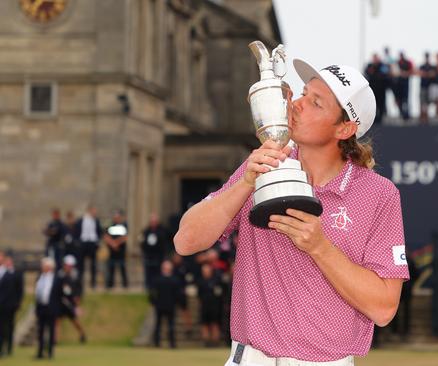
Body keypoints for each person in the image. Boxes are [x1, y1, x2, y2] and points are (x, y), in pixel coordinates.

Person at [174, 58, 409, 365]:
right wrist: (245, 183)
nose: (296, 104)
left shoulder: (379, 194)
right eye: (302, 93)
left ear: (344, 128)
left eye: (316, 103)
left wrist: (320, 247)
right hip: (250, 358)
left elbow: (383, 309)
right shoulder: (263, 165)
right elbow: (185, 241)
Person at [149, 260, 182, 348]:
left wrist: (177, 302)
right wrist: (153, 302)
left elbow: (178, 294)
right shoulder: (158, 280)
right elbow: (152, 293)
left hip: (170, 305)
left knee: (170, 325)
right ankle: (157, 343)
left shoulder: (174, 280)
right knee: (158, 325)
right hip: (160, 306)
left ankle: (171, 343)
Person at [34, 257, 63, 359]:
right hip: (41, 308)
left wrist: (57, 309)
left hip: (51, 309)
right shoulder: (39, 278)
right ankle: (40, 352)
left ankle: (50, 353)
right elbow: (37, 294)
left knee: (51, 331)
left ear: (49, 267)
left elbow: (60, 296)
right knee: (40, 331)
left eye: (44, 266)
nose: (42, 267)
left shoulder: (57, 279)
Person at [57, 255, 86, 343]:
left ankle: (82, 335)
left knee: (74, 320)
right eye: (67, 265)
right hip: (61, 301)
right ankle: (55, 339)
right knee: (57, 320)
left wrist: (77, 298)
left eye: (70, 265)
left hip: (71, 302)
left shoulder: (75, 275)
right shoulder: (60, 274)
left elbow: (79, 288)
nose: (68, 267)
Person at [197, 263, 226, 347]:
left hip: (214, 306)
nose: (205, 272)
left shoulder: (216, 281)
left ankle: (215, 342)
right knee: (204, 324)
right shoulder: (200, 281)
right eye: (204, 271)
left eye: (207, 270)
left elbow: (220, 293)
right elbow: (199, 294)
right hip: (204, 305)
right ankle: (206, 342)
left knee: (215, 323)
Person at [0, 254, 23, 357]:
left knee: (8, 327)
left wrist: (17, 303)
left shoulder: (14, 273)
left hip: (8, 306)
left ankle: (8, 348)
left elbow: (19, 290)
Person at [75, 205, 103, 291]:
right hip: (83, 243)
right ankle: (79, 282)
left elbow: (100, 231)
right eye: (94, 211)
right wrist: (78, 242)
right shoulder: (81, 220)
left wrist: (97, 241)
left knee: (93, 264)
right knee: (81, 265)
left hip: (92, 243)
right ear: (89, 211)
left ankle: (93, 283)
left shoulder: (96, 221)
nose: (95, 213)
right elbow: (76, 231)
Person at [140, 213, 168, 290]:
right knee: (148, 273)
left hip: (158, 256)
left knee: (158, 273)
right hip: (148, 256)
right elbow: (142, 242)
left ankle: (157, 287)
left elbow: (164, 243)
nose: (153, 223)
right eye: (152, 222)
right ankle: (148, 287)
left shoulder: (162, 230)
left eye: (155, 222)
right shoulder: (146, 231)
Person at [104, 210, 128, 289]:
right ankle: (110, 285)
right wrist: (113, 244)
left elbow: (125, 237)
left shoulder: (123, 226)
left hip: (121, 252)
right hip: (112, 252)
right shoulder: (111, 227)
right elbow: (106, 237)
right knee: (111, 269)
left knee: (122, 268)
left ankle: (125, 285)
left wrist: (116, 243)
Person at [364, 53, 389, 123]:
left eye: (376, 58)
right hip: (372, 90)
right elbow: (366, 73)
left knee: (381, 104)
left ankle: (380, 118)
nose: (375, 60)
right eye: (374, 58)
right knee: (373, 105)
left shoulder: (382, 65)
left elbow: (386, 73)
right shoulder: (369, 66)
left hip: (381, 89)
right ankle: (374, 119)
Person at [396, 52, 413, 120]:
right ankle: (401, 113)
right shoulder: (397, 62)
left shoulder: (408, 62)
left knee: (406, 99)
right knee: (399, 100)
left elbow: (412, 70)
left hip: (405, 84)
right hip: (398, 84)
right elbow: (394, 72)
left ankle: (406, 114)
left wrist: (405, 73)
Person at [419, 52, 436, 123]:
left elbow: (433, 74)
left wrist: (426, 74)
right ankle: (422, 117)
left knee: (428, 102)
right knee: (422, 102)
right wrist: (427, 74)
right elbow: (420, 73)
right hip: (423, 86)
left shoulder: (432, 66)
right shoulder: (422, 66)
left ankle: (427, 117)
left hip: (430, 86)